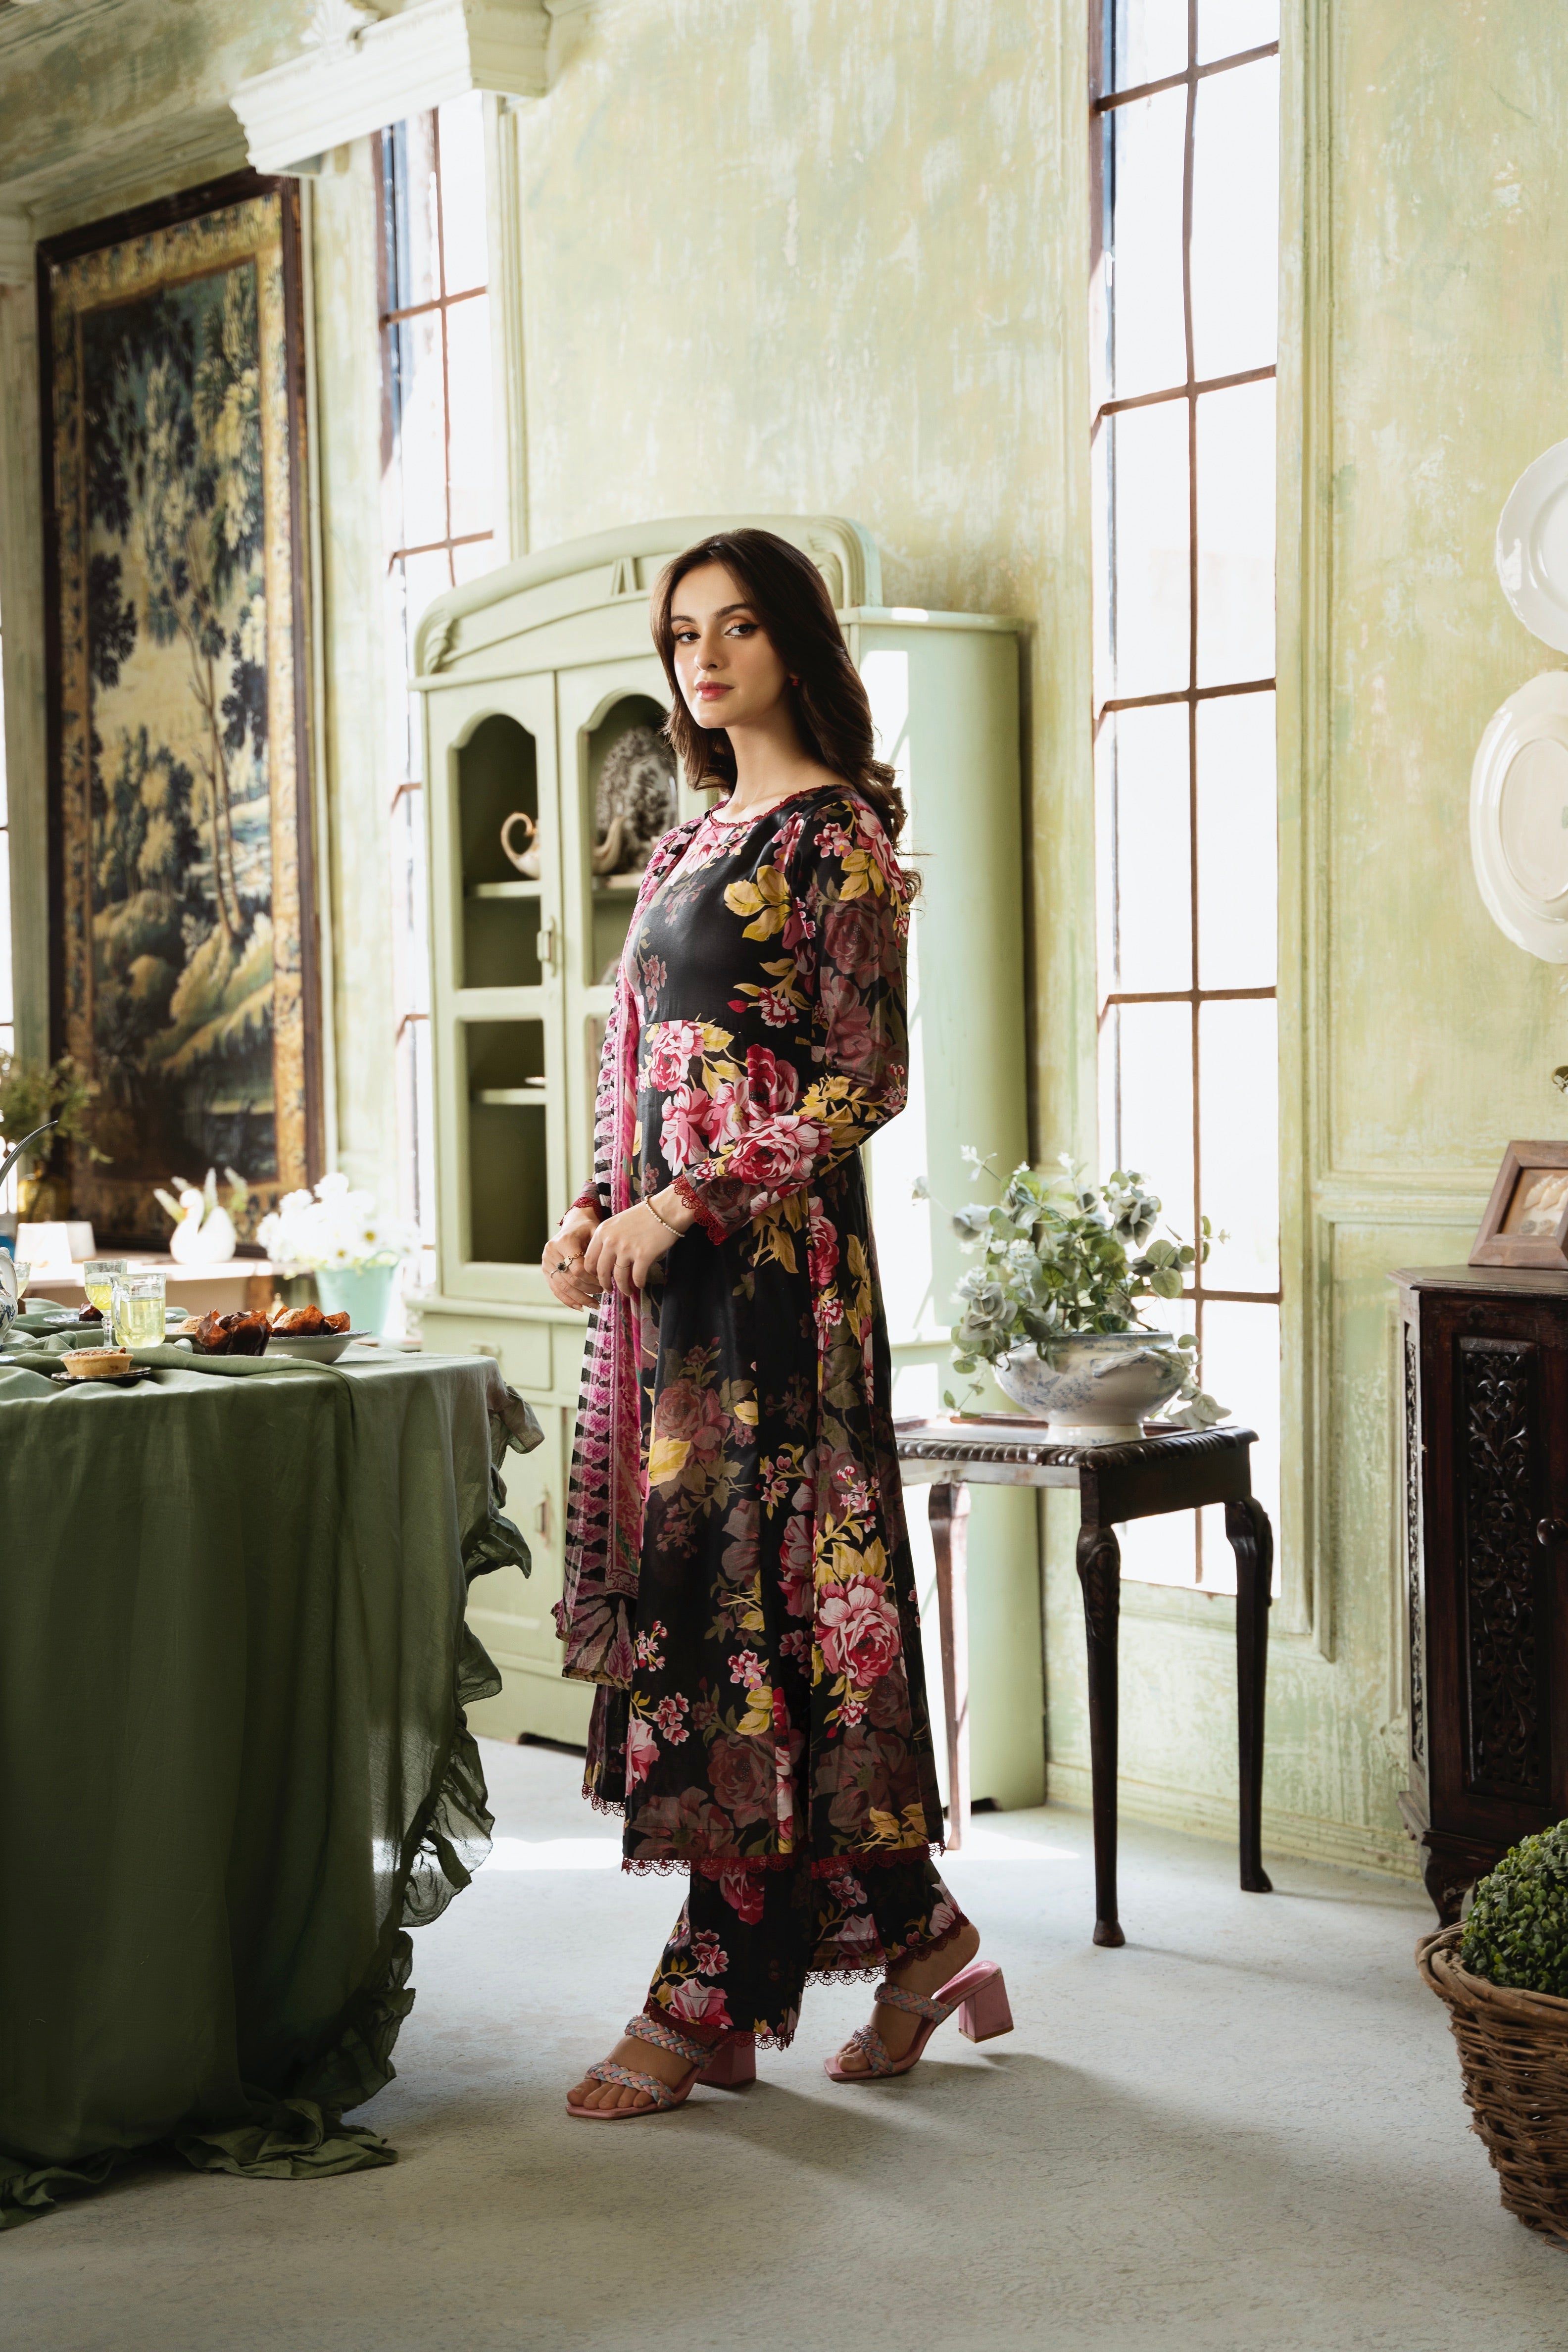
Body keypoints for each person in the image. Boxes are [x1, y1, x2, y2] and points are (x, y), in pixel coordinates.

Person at [544, 528, 1011, 2117]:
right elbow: (643, 1056)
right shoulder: (690, 838)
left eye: (737, 626)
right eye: (685, 632)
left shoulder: (839, 840)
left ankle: (709, 1991)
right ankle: (919, 1940)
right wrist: (592, 1213)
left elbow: (864, 1082)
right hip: (676, 1294)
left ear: (794, 645)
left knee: (748, 1620)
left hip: (780, 1293)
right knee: (724, 1616)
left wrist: (682, 1207)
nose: (705, 655)